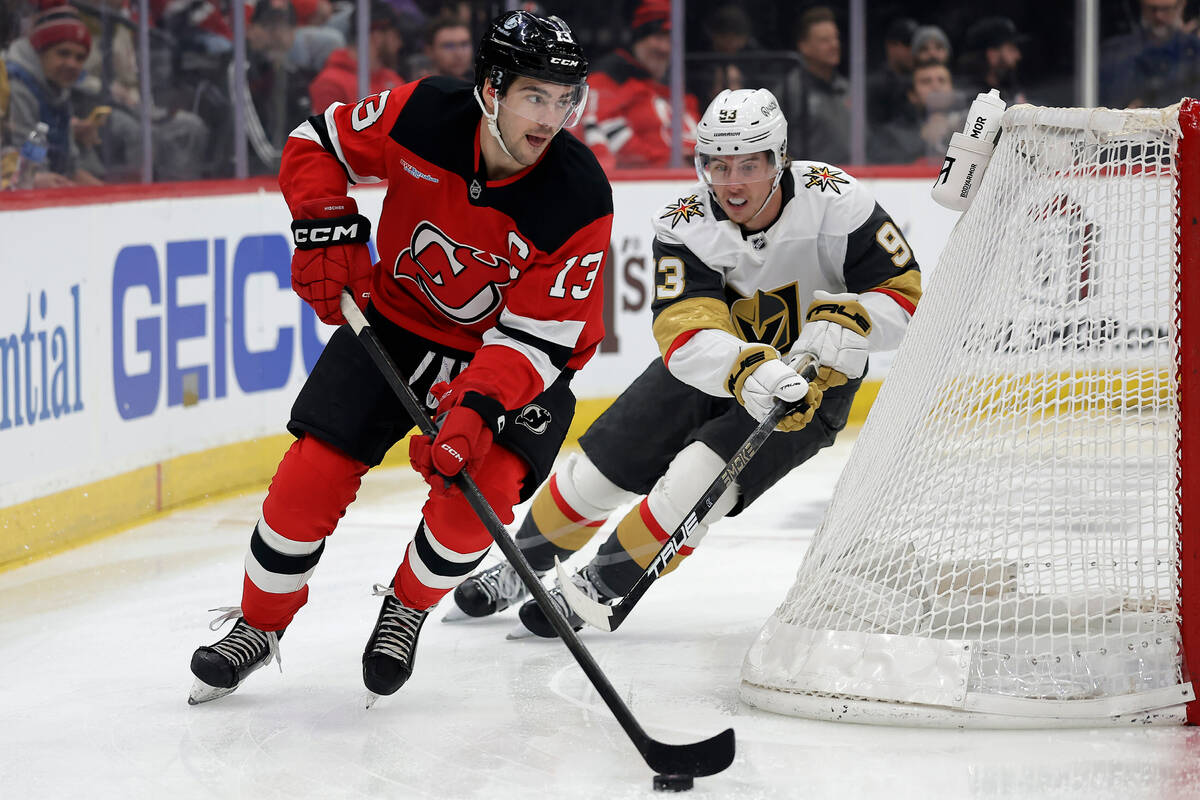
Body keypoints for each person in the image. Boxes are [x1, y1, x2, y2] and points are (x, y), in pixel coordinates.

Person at [187, 10, 612, 703]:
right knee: (310, 478)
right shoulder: (422, 114)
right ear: (492, 89)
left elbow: (541, 337)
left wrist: (474, 406)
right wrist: (326, 227)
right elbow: (315, 142)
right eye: (536, 96)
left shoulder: (580, 194)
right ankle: (260, 628)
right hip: (396, 324)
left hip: (513, 361)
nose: (552, 118)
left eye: (567, 101)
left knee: (476, 504)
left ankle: (407, 607)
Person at [446, 87, 922, 639]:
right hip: (717, 367)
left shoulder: (838, 200)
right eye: (718, 166)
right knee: (593, 473)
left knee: (699, 480)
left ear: (779, 158)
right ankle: (522, 565)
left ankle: (602, 582)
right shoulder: (683, 222)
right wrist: (745, 367)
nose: (733, 182)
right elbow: (684, 330)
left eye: (748, 164)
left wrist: (854, 319)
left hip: (807, 390)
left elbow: (903, 295)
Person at [578, 0, 699, 172]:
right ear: (639, 38)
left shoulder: (676, 87)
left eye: (670, 39)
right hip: (644, 187)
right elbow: (600, 136)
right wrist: (668, 162)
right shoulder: (609, 78)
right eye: (658, 37)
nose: (665, 48)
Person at [3, 4, 102, 186]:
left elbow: (70, 167)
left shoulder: (58, 89)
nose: (72, 64)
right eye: (63, 53)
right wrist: (35, 180)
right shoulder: (15, 87)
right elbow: (22, 169)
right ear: (40, 53)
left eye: (80, 58)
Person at [781, 5, 849, 165]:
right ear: (804, 46)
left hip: (852, 179)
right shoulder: (789, 92)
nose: (834, 44)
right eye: (825, 40)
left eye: (836, 38)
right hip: (810, 183)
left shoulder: (847, 88)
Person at [1101, 0, 1200, 108]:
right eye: (1152, 9)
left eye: (1166, 9)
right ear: (1141, 6)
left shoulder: (1196, 54)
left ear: (1181, 6)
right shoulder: (1115, 54)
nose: (1158, 16)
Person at [308, 2, 403, 112]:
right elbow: (326, 128)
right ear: (377, 36)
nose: (399, 43)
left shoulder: (393, 79)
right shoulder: (330, 83)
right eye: (396, 36)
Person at [868, 57, 964, 164]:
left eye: (942, 80)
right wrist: (923, 140)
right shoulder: (890, 135)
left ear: (952, 89)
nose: (936, 86)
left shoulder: (969, 126)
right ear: (912, 95)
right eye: (926, 81)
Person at [959, 16, 1029, 105]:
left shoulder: (1010, 88)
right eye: (1011, 49)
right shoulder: (969, 96)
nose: (1018, 56)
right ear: (992, 55)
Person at [867, 16, 917, 127]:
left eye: (917, 45)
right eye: (907, 44)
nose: (913, 50)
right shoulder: (875, 85)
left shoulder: (920, 81)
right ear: (890, 45)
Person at [417, 12, 473, 81]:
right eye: (449, 46)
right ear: (429, 51)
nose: (459, 54)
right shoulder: (420, 89)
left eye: (464, 45)